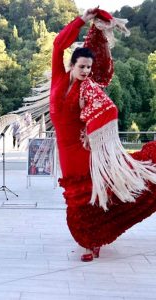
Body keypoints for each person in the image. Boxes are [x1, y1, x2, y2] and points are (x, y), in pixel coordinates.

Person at [51, 7, 156, 262]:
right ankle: (93, 237)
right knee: (77, 198)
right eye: (82, 66)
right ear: (72, 64)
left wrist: (90, 133)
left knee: (89, 196)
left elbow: (105, 109)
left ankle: (91, 242)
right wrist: (82, 20)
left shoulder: (88, 88)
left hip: (82, 149)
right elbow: (58, 43)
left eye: (89, 67)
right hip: (64, 151)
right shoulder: (57, 80)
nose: (86, 71)